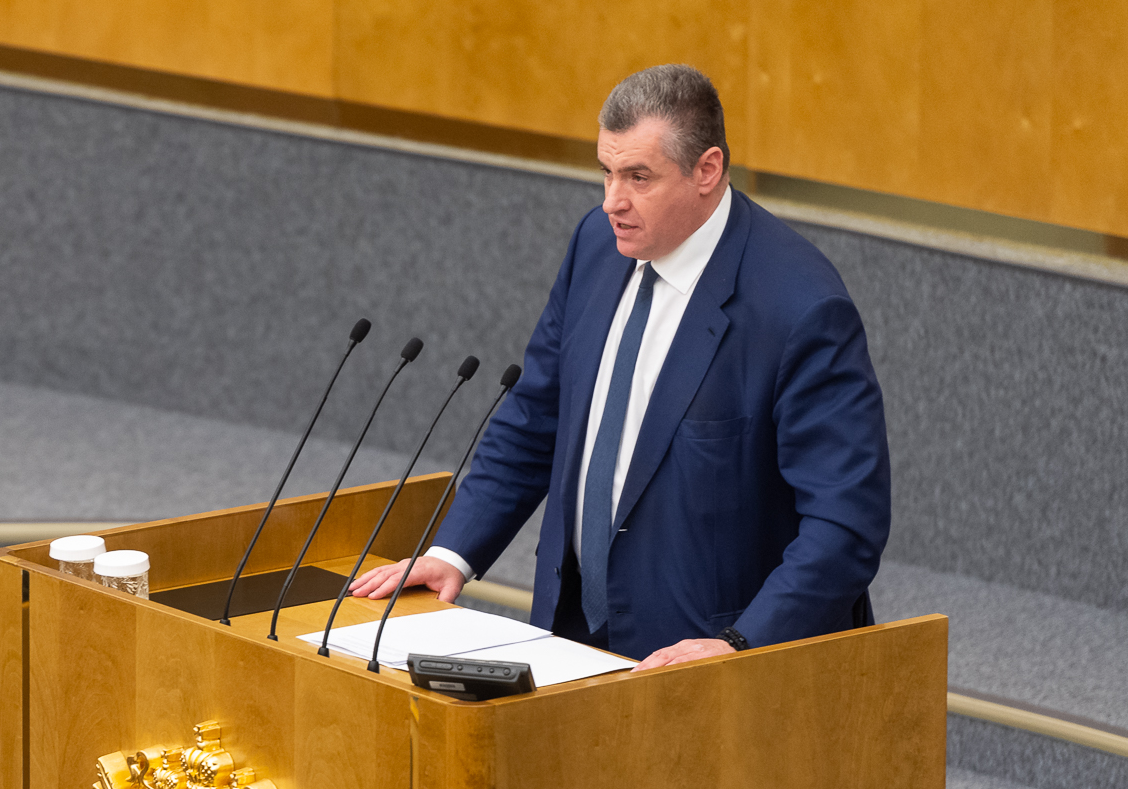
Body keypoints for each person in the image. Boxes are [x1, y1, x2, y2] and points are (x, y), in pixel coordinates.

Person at [349, 64, 889, 670]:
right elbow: (536, 416)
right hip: (570, 633)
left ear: (707, 170)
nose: (613, 202)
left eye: (638, 176)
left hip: (705, 658)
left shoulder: (800, 308)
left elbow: (846, 522)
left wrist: (741, 644)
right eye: (606, 172)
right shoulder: (596, 245)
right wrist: (453, 552)